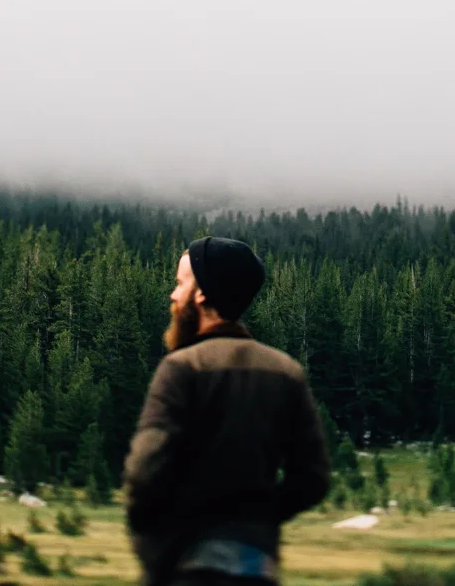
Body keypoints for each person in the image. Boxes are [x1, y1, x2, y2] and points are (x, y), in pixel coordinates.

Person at [123, 236, 330, 586]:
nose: (174, 296)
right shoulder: (286, 372)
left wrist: (151, 533)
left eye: (180, 284)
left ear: (201, 294)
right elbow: (312, 479)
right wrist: (258, 517)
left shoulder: (182, 367)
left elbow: (146, 469)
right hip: (257, 565)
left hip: (189, 563)